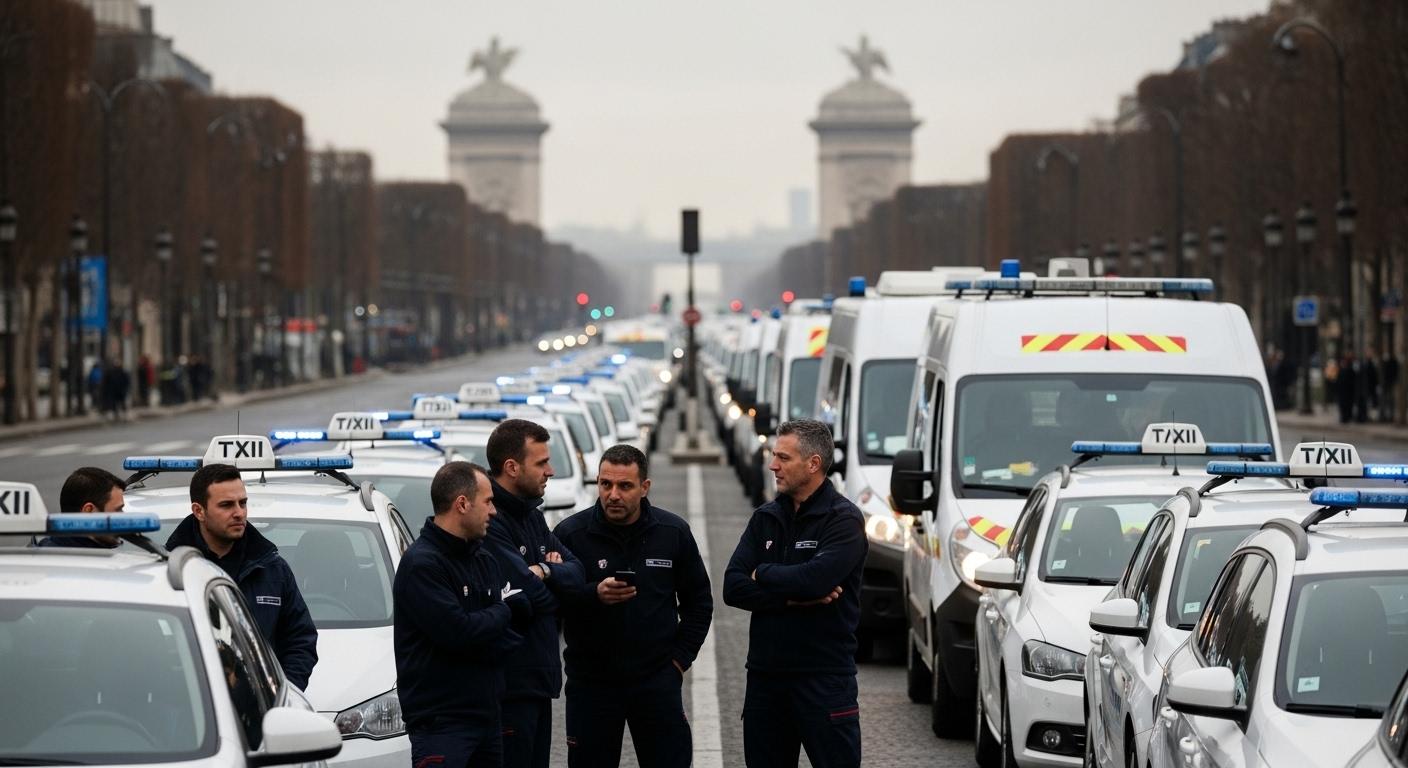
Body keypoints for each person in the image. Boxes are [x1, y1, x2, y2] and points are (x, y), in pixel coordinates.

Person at [553, 444, 713, 768]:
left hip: (656, 682)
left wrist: (678, 663)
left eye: (625, 486)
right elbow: (552, 603)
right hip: (591, 685)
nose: (613, 494)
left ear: (644, 487)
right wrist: (592, 595)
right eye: (605, 484)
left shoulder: (673, 533)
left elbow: (699, 603)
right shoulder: (570, 535)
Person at [723, 418, 867, 768]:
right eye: (775, 456)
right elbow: (732, 586)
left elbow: (816, 581)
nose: (773, 465)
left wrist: (764, 572)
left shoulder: (843, 520)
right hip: (766, 679)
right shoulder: (766, 518)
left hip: (824, 680)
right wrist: (790, 597)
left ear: (813, 463)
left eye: (783, 458)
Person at [396, 461, 529, 768]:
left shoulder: (483, 558)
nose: (494, 511)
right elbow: (459, 632)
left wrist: (492, 621)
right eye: (488, 501)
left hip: (487, 716)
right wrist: (503, 610)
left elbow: (503, 639)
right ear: (462, 504)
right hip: (442, 726)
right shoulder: (422, 565)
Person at [484, 418, 585, 768]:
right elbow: (532, 599)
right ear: (512, 467)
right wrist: (555, 585)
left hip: (538, 681)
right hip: (510, 686)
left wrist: (545, 570)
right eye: (541, 463)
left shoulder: (531, 514)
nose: (551, 471)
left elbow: (579, 571)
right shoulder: (491, 521)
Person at [166, 463, 318, 689]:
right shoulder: (170, 572)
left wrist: (282, 695)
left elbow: (300, 640)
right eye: (226, 505)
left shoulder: (272, 569)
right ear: (199, 511)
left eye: (243, 503)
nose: (239, 513)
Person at [34, 467, 126, 548]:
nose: (124, 517)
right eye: (118, 510)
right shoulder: (83, 563)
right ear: (89, 511)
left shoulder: (49, 549)